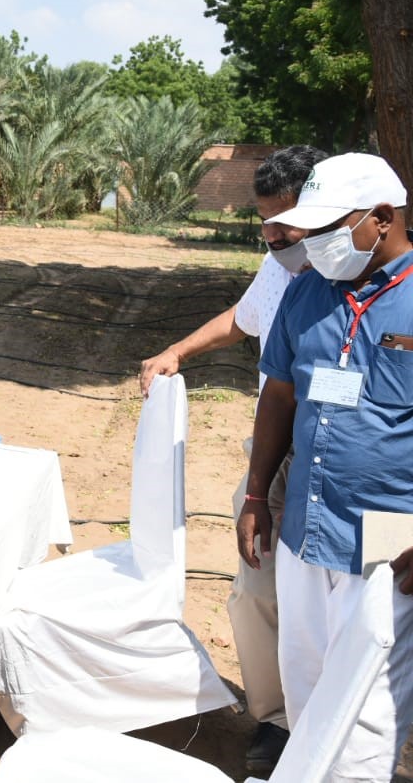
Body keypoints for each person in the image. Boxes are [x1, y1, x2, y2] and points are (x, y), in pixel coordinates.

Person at [138, 145, 327, 775]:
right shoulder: (281, 265)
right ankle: (274, 720)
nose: (273, 236)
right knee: (254, 593)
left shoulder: (373, 281)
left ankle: (329, 726)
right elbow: (243, 322)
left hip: (349, 470)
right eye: (265, 222)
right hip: (277, 455)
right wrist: (177, 350)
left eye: (286, 222)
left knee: (335, 606)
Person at [240, 152, 413, 781]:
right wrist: (256, 496)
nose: (314, 243)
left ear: (383, 219)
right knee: (307, 682)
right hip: (306, 526)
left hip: (391, 543)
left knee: (366, 706)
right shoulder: (308, 292)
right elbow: (280, 395)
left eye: (330, 229)